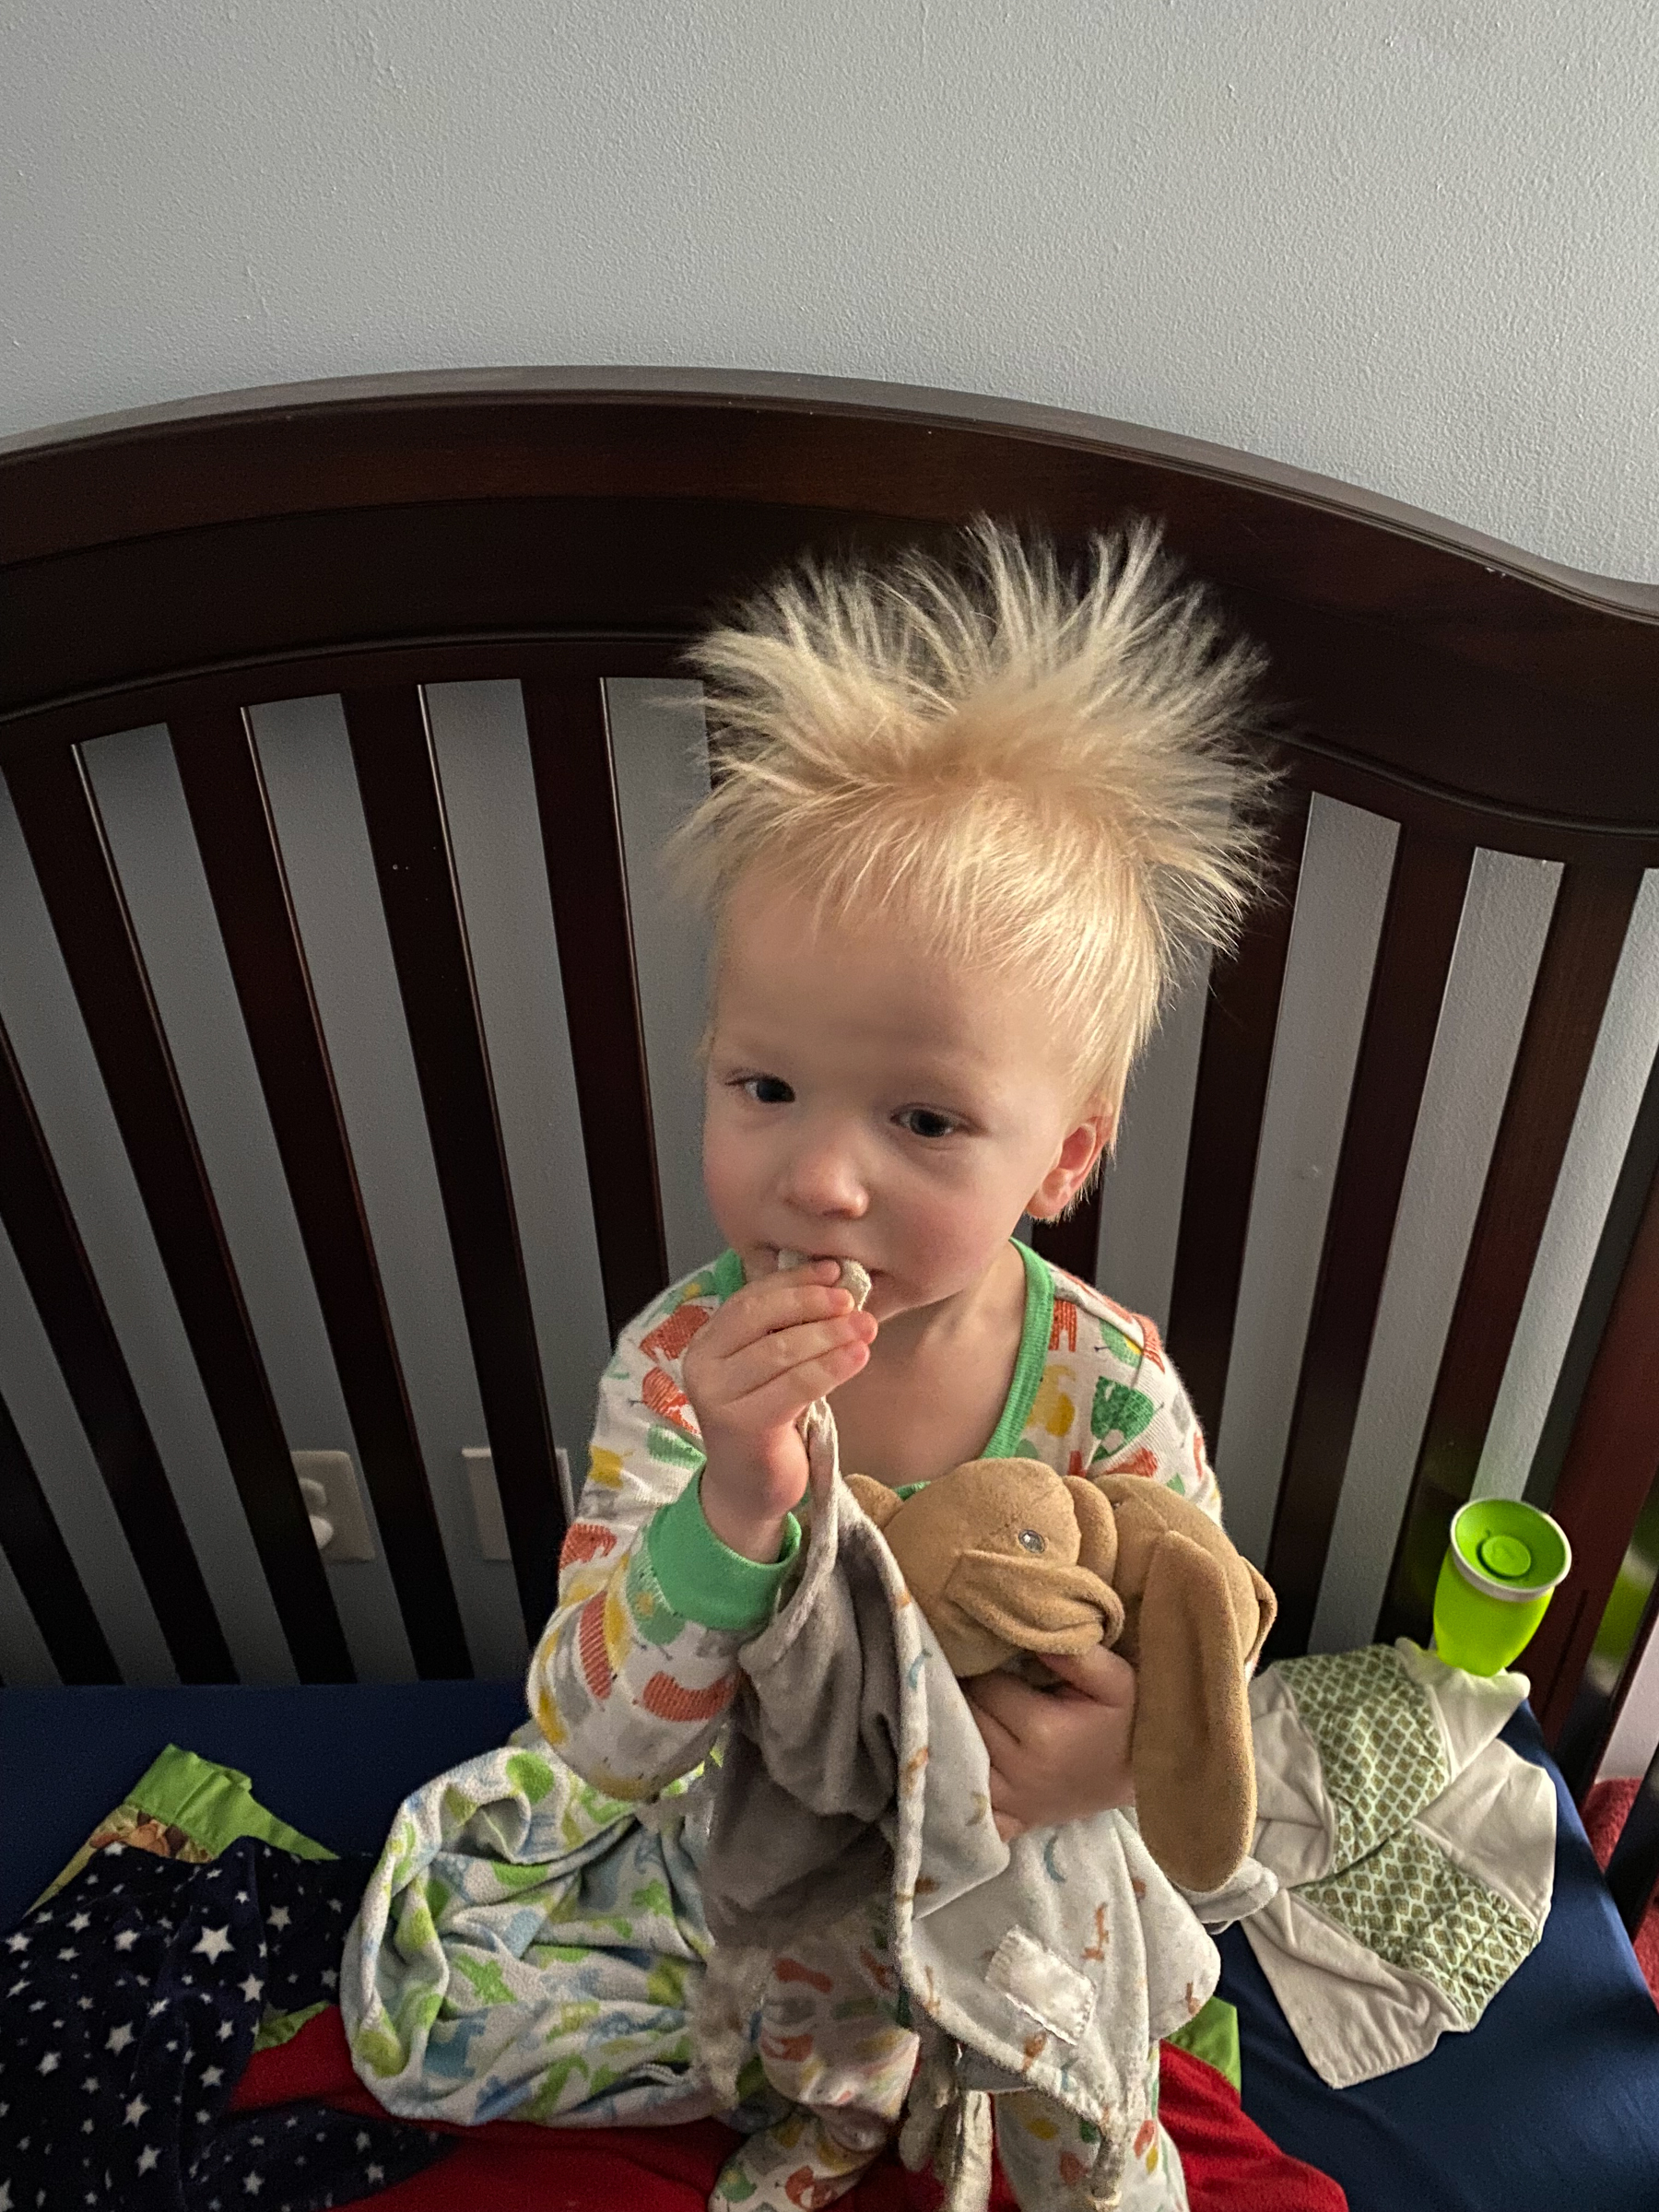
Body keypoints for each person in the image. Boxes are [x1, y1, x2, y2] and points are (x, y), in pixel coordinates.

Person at [525, 518, 1274, 2209]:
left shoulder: (1107, 1385)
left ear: (1062, 1159)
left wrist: (1111, 1758)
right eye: (765, 1087)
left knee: (1079, 2058)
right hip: (797, 1879)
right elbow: (593, 1739)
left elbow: (1202, 1642)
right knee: (812, 2044)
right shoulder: (681, 1365)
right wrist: (733, 1504)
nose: (820, 1177)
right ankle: (838, 2118)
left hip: (1036, 1882)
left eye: (924, 1120)